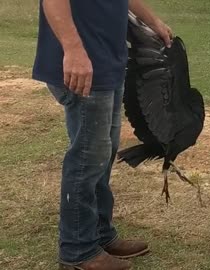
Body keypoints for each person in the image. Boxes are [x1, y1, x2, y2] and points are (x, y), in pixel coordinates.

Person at [32, 1, 173, 269]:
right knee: (87, 158)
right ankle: (78, 250)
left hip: (107, 60)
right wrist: (73, 49)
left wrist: (152, 21)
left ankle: (98, 235)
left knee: (102, 154)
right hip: (82, 65)